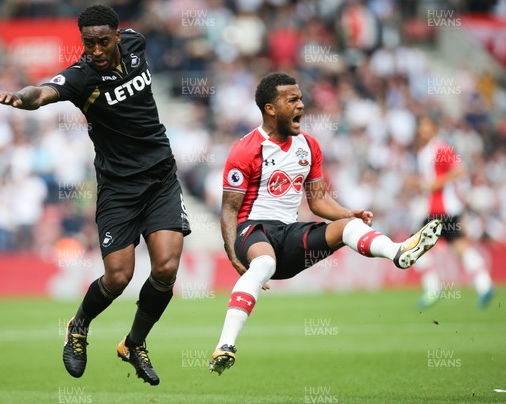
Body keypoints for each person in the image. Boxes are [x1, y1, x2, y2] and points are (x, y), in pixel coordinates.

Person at [0, 5, 190, 385]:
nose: (95, 50)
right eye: (88, 43)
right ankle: (79, 325)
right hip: (119, 187)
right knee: (118, 277)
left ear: (116, 36)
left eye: (102, 42)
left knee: (165, 269)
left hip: (162, 177)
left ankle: (134, 343)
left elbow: (141, 30)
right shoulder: (80, 78)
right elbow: (44, 92)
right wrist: (22, 98)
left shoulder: (135, 43)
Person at [209, 72, 442, 376]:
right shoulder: (246, 148)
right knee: (263, 263)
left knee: (348, 227)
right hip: (253, 231)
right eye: (291, 99)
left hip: (289, 234)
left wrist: (348, 212)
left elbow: (318, 202)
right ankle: (226, 345)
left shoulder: (309, 146)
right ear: (270, 108)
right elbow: (229, 209)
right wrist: (233, 254)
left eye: (301, 98)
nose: (301, 105)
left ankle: (397, 252)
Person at [413, 115, 494, 309]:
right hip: (435, 208)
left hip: (443, 209)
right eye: (420, 126)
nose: (422, 130)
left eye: (425, 125)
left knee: (415, 246)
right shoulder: (424, 151)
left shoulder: (440, 148)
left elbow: (460, 170)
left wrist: (435, 184)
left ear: (433, 128)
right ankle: (484, 285)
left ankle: (433, 289)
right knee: (458, 246)